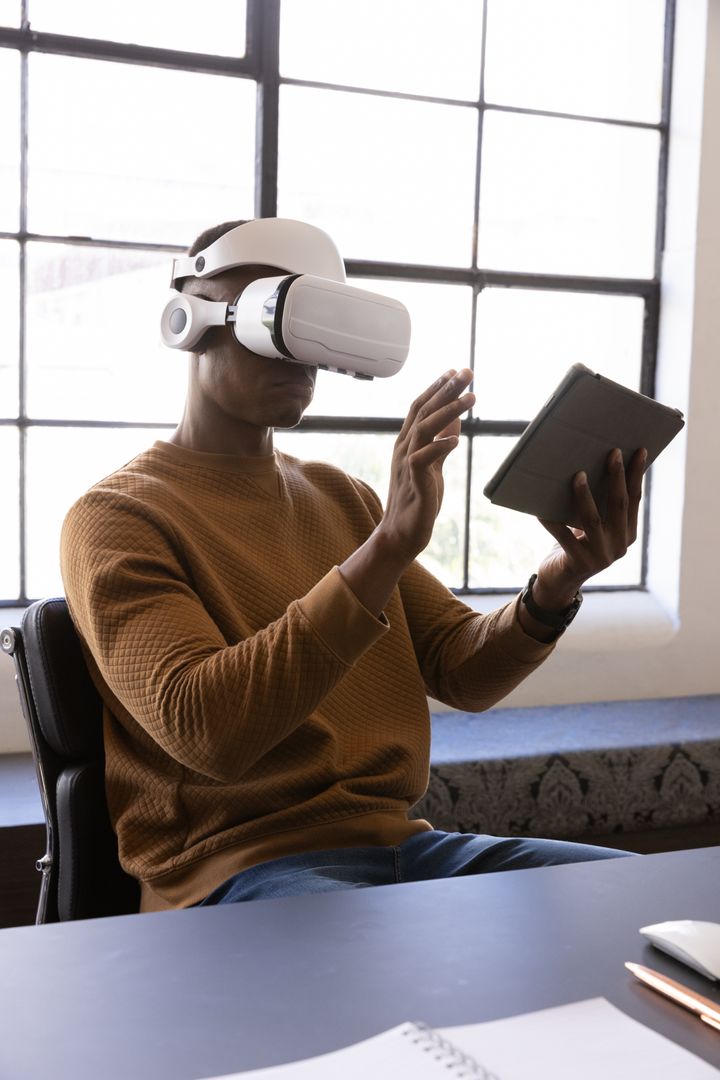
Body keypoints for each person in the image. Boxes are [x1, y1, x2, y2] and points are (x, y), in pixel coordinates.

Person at [61, 218, 646, 913]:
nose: (303, 357)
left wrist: (557, 584)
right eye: (280, 324)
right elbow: (206, 730)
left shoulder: (342, 498)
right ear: (191, 319)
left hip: (405, 849)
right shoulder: (116, 518)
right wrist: (386, 551)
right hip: (236, 871)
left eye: (320, 331)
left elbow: (462, 669)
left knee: (639, 903)